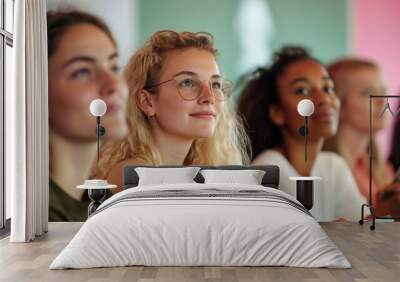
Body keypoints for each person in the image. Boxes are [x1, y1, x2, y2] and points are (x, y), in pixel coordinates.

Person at [96, 30, 249, 190]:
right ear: (147, 101)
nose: (209, 97)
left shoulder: (194, 172)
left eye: (215, 84)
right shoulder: (133, 175)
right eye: (187, 82)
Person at [237, 46, 367, 222]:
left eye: (328, 88)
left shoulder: (333, 166)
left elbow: (363, 226)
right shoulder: (266, 172)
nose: (323, 98)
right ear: (277, 113)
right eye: (302, 91)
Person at [47, 10, 128, 221]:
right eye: (82, 71)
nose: (114, 84)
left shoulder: (103, 201)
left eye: (114, 67)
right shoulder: (38, 215)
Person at [324, 58, 400, 217]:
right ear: (337, 103)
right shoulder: (326, 171)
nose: (381, 101)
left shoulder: (383, 170)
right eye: (367, 92)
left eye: (383, 91)